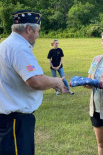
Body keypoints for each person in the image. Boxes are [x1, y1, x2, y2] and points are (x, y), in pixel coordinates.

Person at [0, 10, 68, 155]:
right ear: (29, 29)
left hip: (8, 119)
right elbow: (35, 80)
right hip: (15, 121)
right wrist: (56, 81)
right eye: (37, 31)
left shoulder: (6, 44)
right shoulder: (19, 48)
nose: (38, 35)